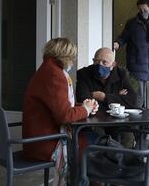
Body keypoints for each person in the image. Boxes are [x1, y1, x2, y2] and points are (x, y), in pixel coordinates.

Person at [22, 38, 98, 185]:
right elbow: (64, 116)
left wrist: (83, 107)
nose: (73, 61)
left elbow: (59, 105)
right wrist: (85, 110)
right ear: (66, 56)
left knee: (90, 138)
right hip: (44, 142)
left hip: (38, 139)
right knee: (93, 143)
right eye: (73, 57)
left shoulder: (47, 69)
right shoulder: (54, 75)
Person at [76, 47, 139, 147]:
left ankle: (124, 162)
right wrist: (118, 97)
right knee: (100, 139)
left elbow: (133, 100)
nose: (99, 65)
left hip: (118, 121)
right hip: (95, 121)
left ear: (113, 65)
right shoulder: (83, 74)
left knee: (127, 137)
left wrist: (104, 97)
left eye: (104, 62)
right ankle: (104, 162)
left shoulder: (121, 74)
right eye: (96, 61)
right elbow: (84, 100)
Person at [113, 0, 149, 108]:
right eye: (140, 9)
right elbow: (124, 37)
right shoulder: (132, 23)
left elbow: (148, 44)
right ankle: (137, 122)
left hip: (146, 65)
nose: (142, 12)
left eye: (144, 9)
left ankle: (141, 121)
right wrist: (118, 43)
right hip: (135, 64)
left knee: (143, 97)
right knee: (137, 97)